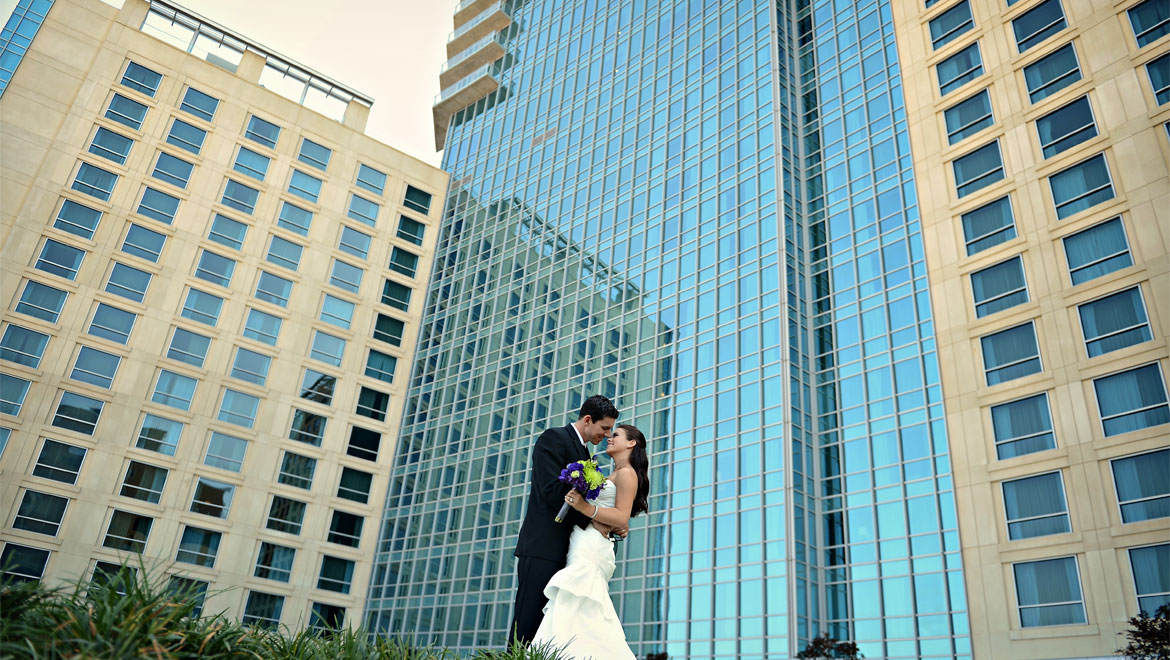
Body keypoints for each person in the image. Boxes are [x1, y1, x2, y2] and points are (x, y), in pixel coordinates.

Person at [531, 423, 650, 659]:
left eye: (615, 435)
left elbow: (621, 516)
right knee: (576, 607)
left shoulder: (627, 473)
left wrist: (585, 507)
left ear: (631, 443)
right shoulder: (613, 473)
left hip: (593, 546)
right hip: (582, 540)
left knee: (578, 603)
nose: (609, 438)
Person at [510, 395, 621, 647]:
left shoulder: (585, 453)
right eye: (605, 428)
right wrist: (593, 520)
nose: (606, 435)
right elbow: (550, 490)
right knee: (528, 622)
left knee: (550, 630)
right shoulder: (554, 438)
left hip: (569, 552)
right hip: (543, 546)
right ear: (588, 419)